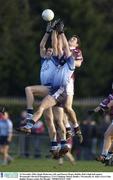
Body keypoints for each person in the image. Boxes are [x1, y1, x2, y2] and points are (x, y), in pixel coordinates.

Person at [20, 20, 83, 156]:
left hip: (60, 91)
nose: (64, 53)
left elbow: (65, 47)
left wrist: (61, 32)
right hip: (53, 90)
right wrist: (54, 31)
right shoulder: (58, 59)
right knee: (49, 117)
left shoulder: (70, 62)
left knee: (58, 115)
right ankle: (59, 143)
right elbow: (56, 45)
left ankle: (68, 132)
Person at [91, 89, 113, 163]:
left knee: (108, 135)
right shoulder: (111, 96)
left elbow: (109, 104)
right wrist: (94, 110)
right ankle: (106, 157)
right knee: (108, 135)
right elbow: (102, 105)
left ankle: (107, 157)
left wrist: (104, 109)